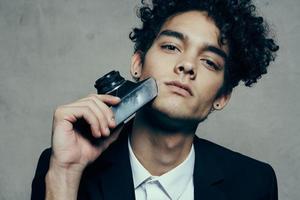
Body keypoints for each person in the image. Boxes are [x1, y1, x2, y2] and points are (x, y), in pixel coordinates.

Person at [31, 0, 279, 199]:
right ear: (138, 64)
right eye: (171, 47)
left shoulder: (254, 184)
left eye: (209, 62)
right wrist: (65, 174)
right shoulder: (61, 165)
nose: (187, 65)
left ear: (222, 97)